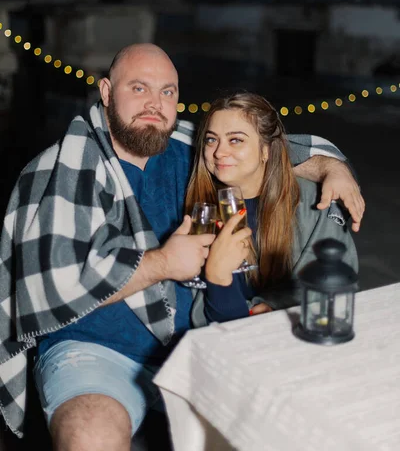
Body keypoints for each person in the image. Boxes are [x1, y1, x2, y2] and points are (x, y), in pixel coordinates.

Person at [0, 44, 364, 450]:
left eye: (167, 91)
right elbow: (47, 287)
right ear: (105, 92)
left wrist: (333, 166)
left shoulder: (193, 150)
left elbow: (269, 150)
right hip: (98, 354)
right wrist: (162, 264)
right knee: (89, 434)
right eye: (138, 88)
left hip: (197, 343)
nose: (154, 104)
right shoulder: (61, 170)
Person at [185, 92, 358, 323]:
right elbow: (216, 317)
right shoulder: (203, 211)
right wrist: (218, 278)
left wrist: (274, 305)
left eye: (235, 139)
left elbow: (334, 280)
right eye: (211, 139)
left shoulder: (314, 201)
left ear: (266, 150)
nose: (219, 152)